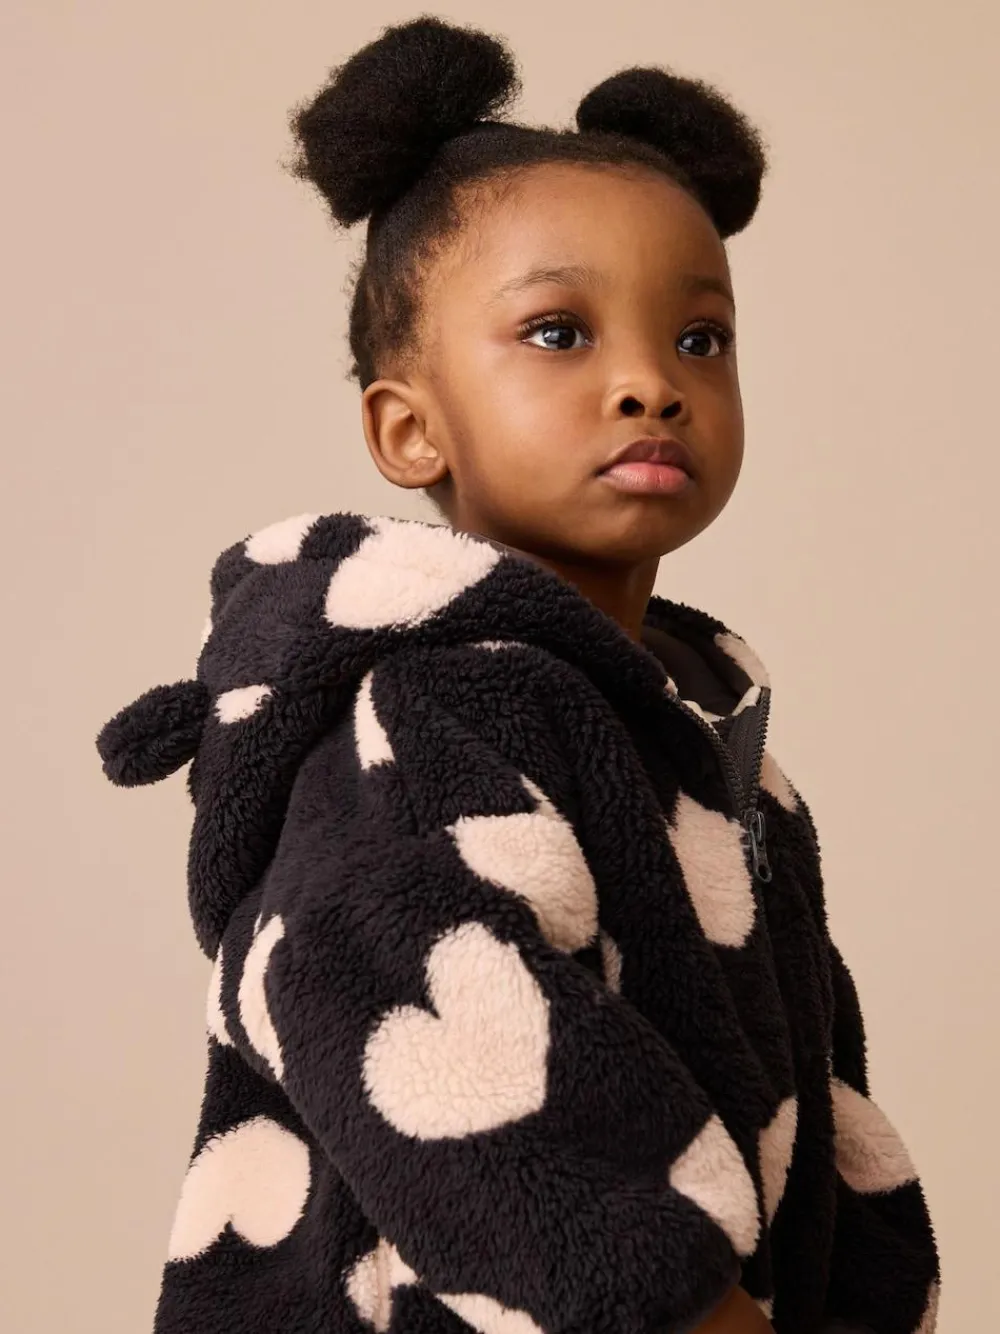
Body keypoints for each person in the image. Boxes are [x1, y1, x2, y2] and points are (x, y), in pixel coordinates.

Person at [96, 15, 940, 1334]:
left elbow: (810, 1111)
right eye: (558, 332)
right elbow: (464, 1080)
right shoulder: (424, 717)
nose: (649, 383)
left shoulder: (712, 752)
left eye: (700, 339)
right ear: (409, 428)